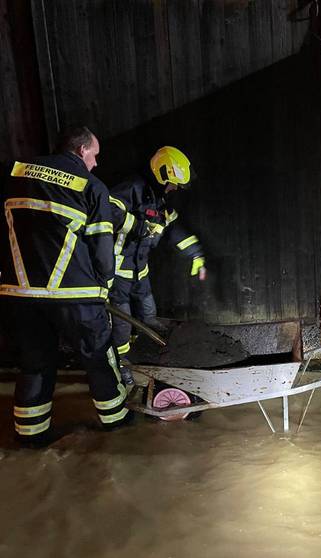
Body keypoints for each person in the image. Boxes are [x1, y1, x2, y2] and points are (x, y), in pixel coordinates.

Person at [0, 126, 131, 447]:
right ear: (80, 150)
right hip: (76, 294)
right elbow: (102, 246)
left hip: (21, 294)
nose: (96, 163)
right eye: (95, 155)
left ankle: (31, 435)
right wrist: (104, 287)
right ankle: (118, 424)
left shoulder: (14, 173)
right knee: (98, 355)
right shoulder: (91, 186)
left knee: (34, 362)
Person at [108, 146, 206, 385]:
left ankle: (153, 362)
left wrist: (196, 255)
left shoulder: (161, 202)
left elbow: (173, 231)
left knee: (149, 317)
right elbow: (106, 212)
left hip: (140, 272)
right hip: (116, 274)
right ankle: (123, 370)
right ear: (161, 174)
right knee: (121, 326)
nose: (174, 188)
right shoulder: (132, 189)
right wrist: (137, 225)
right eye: (173, 183)